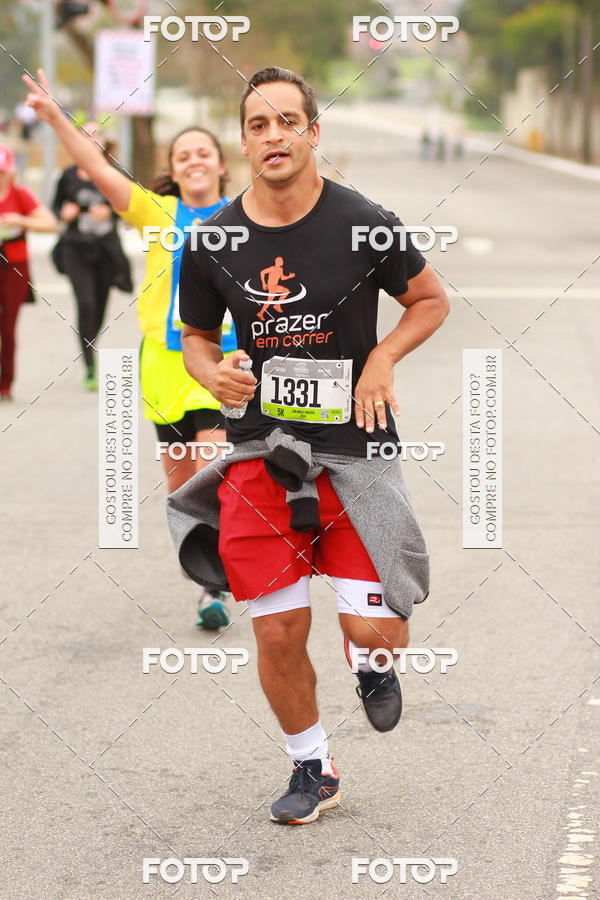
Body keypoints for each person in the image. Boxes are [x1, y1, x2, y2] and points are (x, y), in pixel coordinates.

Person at [176, 67, 449, 824]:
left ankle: (370, 663)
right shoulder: (213, 239)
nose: (273, 137)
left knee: (374, 627)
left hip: (354, 451)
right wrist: (213, 374)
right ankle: (312, 765)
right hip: (261, 456)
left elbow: (430, 301)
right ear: (244, 140)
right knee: (278, 629)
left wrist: (383, 358)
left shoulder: (365, 221)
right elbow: (195, 340)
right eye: (258, 126)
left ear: (312, 132)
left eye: (287, 122)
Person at [23, 69, 237, 629]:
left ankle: (218, 586)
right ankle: (203, 578)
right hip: (163, 366)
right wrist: (55, 118)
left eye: (203, 153)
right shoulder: (155, 213)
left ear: (220, 165)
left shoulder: (247, 217)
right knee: (183, 485)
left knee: (217, 470)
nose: (193, 160)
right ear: (174, 168)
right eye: (183, 154)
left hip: (224, 364)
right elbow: (95, 167)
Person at [52, 121, 132, 390]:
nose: (91, 139)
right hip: (76, 247)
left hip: (106, 251)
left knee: (98, 307)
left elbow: (132, 207)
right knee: (85, 303)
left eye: (96, 133)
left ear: (104, 141)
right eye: (85, 134)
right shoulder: (69, 176)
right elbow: (57, 207)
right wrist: (65, 213)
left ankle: (90, 343)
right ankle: (89, 365)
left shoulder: (115, 173)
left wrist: (111, 212)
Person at [0, 143, 55, 400]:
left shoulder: (20, 194)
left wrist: (19, 220)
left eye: (2, 172)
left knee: (8, 326)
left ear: (10, 172)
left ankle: (6, 382)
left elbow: (49, 224)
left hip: (13, 265)